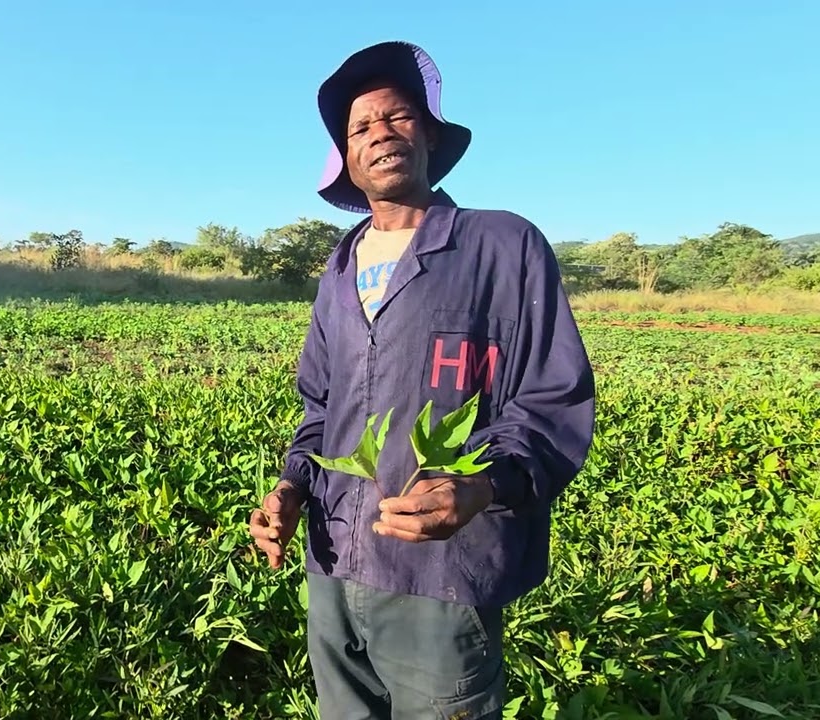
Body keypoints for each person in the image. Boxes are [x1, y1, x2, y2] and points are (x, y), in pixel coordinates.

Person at [248, 40, 596, 719]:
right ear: (347, 158)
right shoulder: (340, 268)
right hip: (332, 560)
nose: (379, 132)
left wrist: (482, 486)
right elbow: (320, 408)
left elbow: (550, 400)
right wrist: (292, 486)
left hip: (441, 573)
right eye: (360, 127)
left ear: (430, 136)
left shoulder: (503, 245)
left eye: (398, 116)